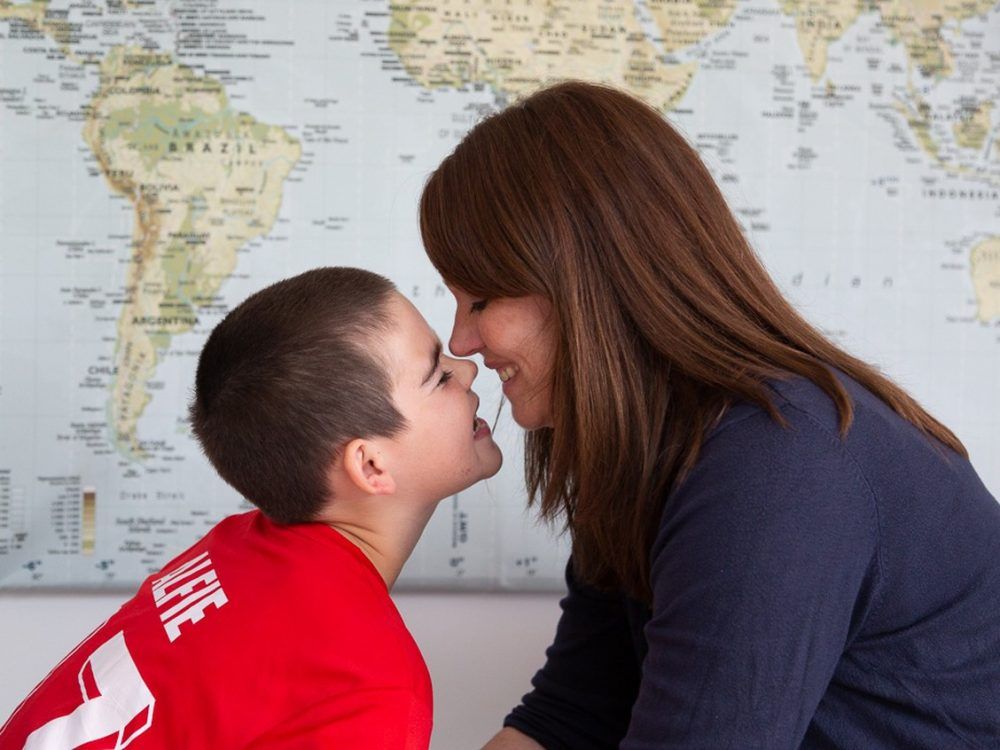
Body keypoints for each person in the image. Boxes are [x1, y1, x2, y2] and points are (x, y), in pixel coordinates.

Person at [419, 81, 1000, 749]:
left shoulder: (777, 468)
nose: (462, 341)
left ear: (588, 281)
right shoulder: (653, 452)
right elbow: (576, 713)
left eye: (483, 299)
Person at [0, 267, 501, 749]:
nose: (468, 366)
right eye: (437, 376)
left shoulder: (233, 550)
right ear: (370, 465)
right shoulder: (369, 679)